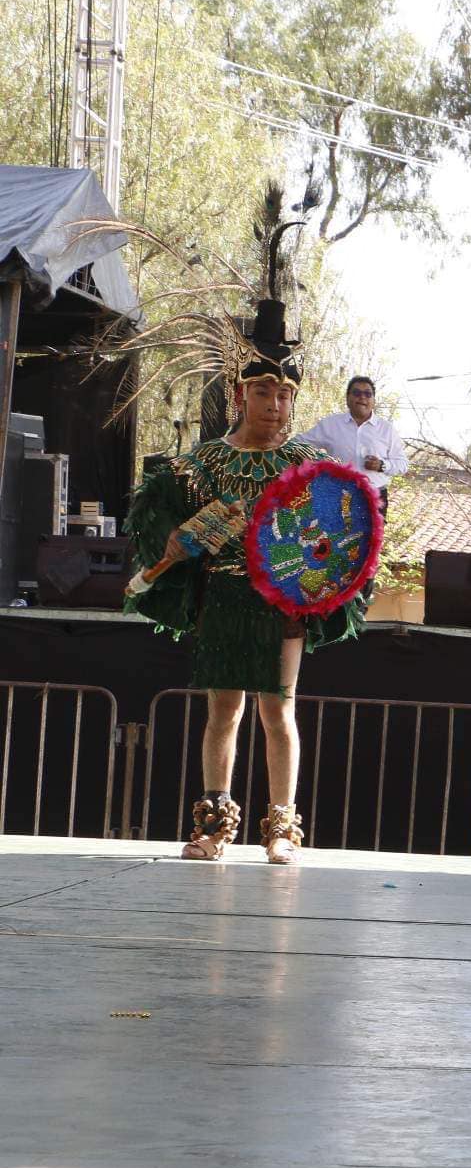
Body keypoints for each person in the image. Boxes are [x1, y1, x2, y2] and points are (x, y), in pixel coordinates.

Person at [125, 248, 372, 866]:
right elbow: (157, 525)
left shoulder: (305, 469)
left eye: (285, 395)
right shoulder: (201, 463)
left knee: (278, 711)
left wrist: (315, 571)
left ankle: (283, 829)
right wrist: (177, 543)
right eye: (264, 392)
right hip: (224, 599)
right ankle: (213, 825)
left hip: (281, 604)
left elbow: (335, 540)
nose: (276, 406)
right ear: (241, 395)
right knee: (224, 713)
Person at [302, 376, 407, 498]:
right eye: (357, 393)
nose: (362, 397)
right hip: (337, 497)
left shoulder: (386, 429)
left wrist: (382, 465)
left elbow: (402, 464)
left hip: (374, 499)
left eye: (368, 394)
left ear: (373, 400)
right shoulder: (330, 425)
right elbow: (300, 444)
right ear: (347, 398)